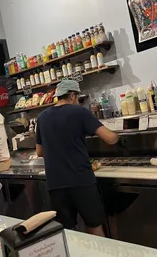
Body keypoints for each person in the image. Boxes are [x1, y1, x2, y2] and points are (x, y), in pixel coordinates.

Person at [36, 80, 119, 237]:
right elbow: (109, 138)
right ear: (72, 95)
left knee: (67, 232)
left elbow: (39, 152)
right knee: (94, 226)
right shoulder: (80, 112)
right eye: (78, 98)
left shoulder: (42, 117)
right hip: (81, 181)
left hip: (55, 184)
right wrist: (117, 136)